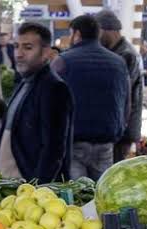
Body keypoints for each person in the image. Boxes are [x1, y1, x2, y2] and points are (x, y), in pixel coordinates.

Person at [51, 15, 129, 180]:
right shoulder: (118, 62)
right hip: (106, 142)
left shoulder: (63, 61)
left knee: (79, 196)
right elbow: (126, 102)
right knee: (101, 194)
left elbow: (51, 102)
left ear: (77, 34)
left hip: (74, 142)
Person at [0, 22, 73, 183]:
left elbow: (54, 149)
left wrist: (37, 188)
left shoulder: (54, 88)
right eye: (17, 46)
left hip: (31, 191)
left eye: (27, 47)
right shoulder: (25, 82)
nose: (18, 54)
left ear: (46, 52)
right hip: (13, 186)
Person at [96, 9, 143, 162]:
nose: (97, 37)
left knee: (114, 171)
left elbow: (124, 97)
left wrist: (123, 131)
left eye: (99, 31)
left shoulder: (126, 54)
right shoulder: (116, 52)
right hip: (116, 126)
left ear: (110, 31)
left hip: (122, 129)